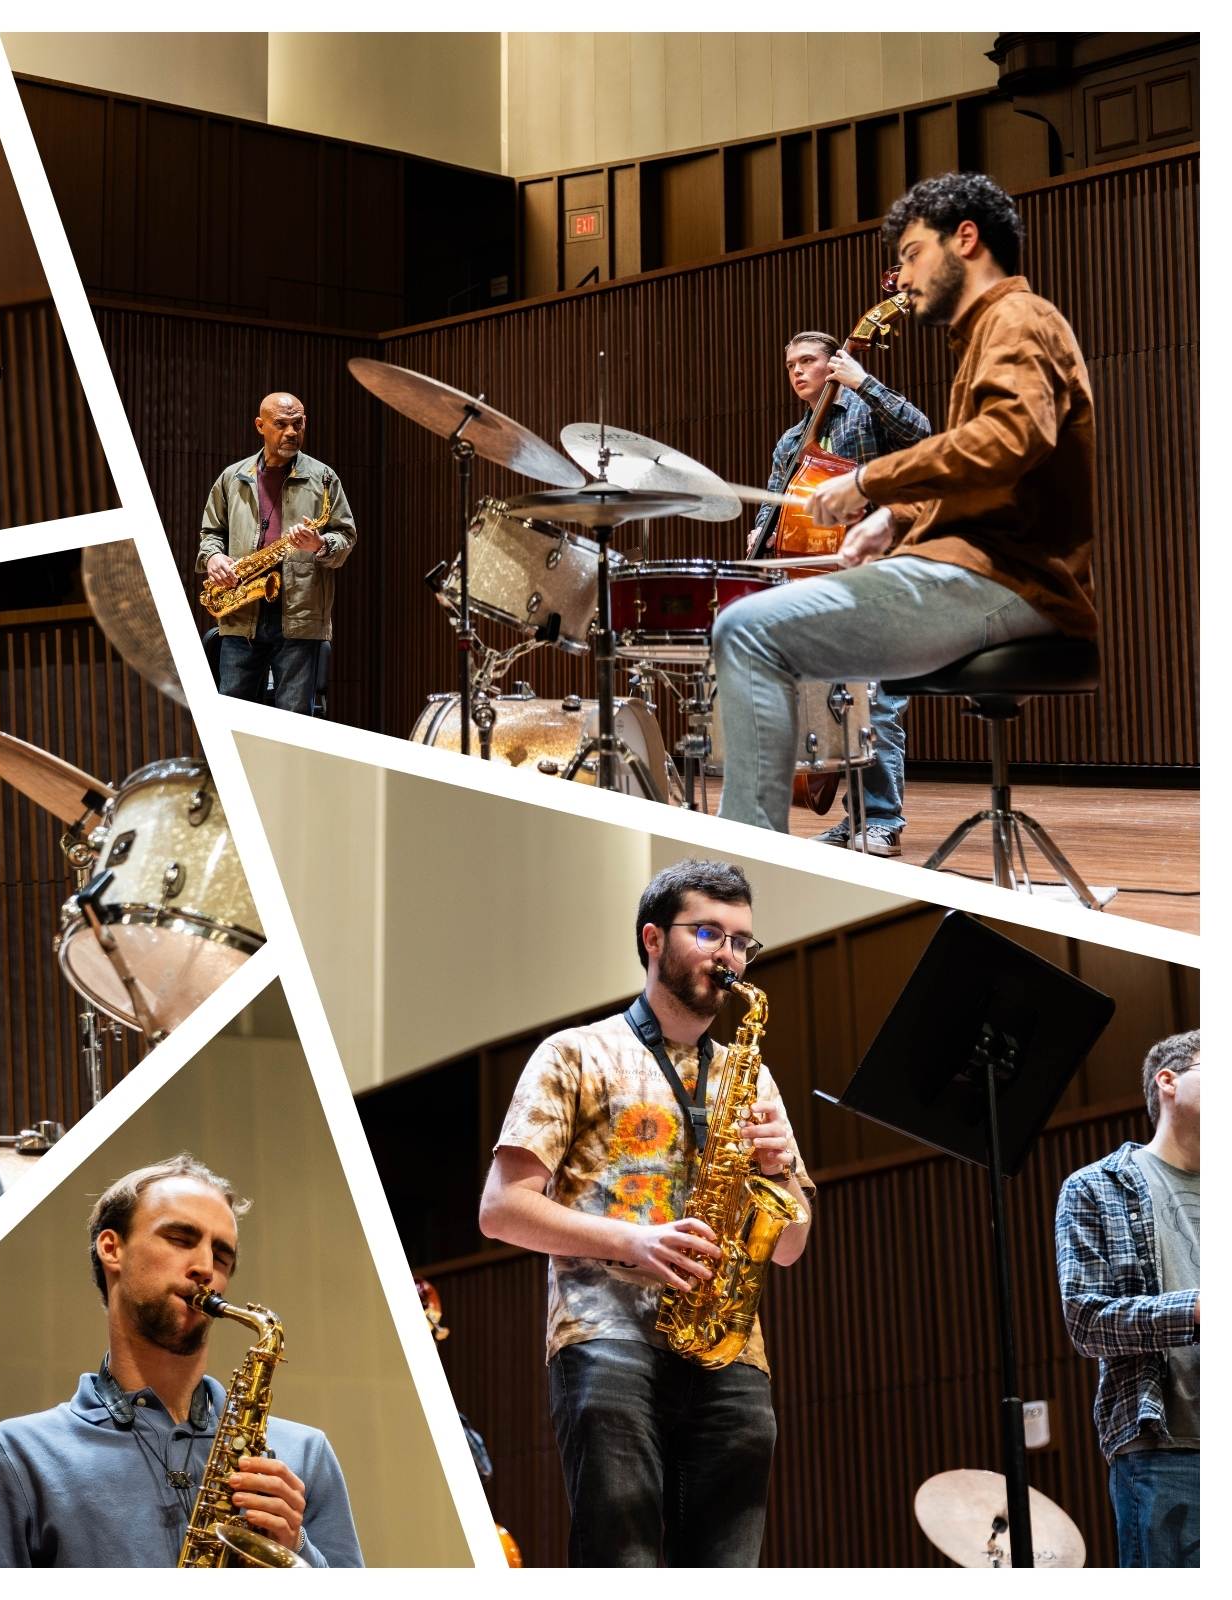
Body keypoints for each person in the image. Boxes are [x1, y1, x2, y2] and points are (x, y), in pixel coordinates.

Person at [711, 171, 1096, 835]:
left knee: (746, 631)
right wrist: (897, 519)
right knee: (767, 633)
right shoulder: (988, 332)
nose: (902, 278)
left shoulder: (1016, 318)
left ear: (966, 240)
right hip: (990, 565)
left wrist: (868, 485)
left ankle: (747, 865)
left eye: (912, 254)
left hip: (1008, 577)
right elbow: (988, 475)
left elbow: (1014, 437)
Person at [477, 859, 814, 1566]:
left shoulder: (752, 1075)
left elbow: (788, 1246)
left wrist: (780, 1168)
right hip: (607, 1338)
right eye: (709, 933)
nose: (729, 956)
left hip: (732, 1351)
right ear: (653, 938)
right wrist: (634, 1241)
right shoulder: (573, 1053)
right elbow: (502, 1210)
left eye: (741, 941)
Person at [0, 1153, 363, 1566]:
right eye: (180, 1239)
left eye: (222, 1255)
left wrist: (297, 1548)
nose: (205, 1267)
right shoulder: (21, 1455)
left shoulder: (301, 1456)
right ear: (111, 1248)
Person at [748, 332, 932, 856]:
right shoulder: (793, 441)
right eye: (790, 366)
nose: (798, 371)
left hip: (881, 572)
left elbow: (921, 433)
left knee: (877, 703)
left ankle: (883, 820)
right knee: (838, 705)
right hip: (823, 582)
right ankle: (855, 818)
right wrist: (761, 530)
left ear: (834, 364)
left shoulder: (866, 411)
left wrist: (866, 382)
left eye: (808, 361)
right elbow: (777, 501)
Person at [1054, 1031, 1200, 1567]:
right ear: (1169, 1080)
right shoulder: (1098, 1186)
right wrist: (1200, 1309)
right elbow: (1086, 1320)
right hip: (1168, 1449)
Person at [197, 392, 357, 714]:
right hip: (242, 612)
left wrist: (321, 545)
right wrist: (213, 558)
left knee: (293, 722)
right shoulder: (233, 478)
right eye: (281, 424)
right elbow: (210, 535)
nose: (291, 433)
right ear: (260, 425)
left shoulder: (324, 478)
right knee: (234, 717)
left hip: (300, 616)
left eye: (297, 424)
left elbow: (346, 536)